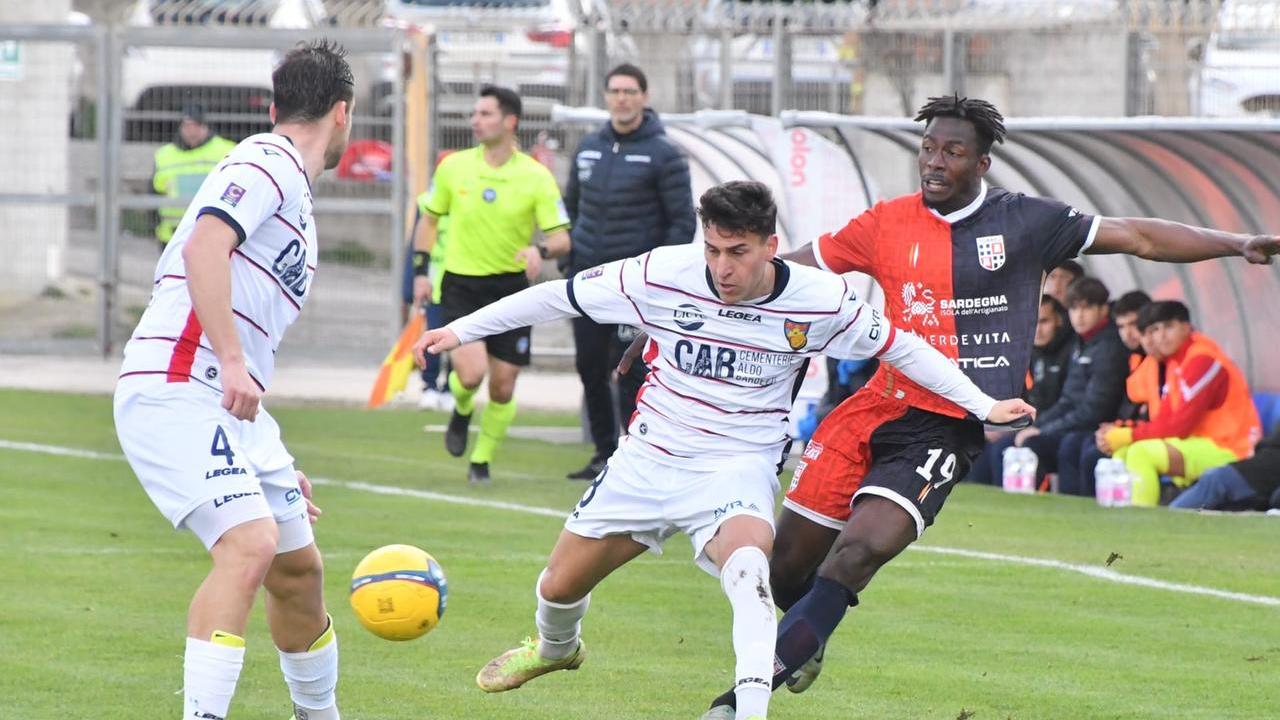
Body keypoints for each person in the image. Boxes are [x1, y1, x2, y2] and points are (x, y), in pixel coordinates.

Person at [689, 94, 1280, 717]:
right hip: (876, 405)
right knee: (785, 573)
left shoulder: (1028, 222)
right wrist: (696, 307)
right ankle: (809, 632)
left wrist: (1235, 241)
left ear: (983, 162)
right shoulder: (885, 222)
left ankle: (734, 704)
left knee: (858, 554)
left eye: (952, 151)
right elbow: (789, 268)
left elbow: (1138, 236)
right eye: (928, 148)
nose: (935, 162)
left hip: (950, 423)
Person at [413, 181, 1034, 720]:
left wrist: (983, 405)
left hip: (736, 466)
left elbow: (901, 347)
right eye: (712, 250)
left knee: (750, 577)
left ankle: (751, 708)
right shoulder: (661, 273)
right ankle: (555, 650)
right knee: (555, 587)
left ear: (770, 244)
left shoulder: (821, 299)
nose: (723, 267)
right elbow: (560, 295)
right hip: (647, 459)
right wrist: (460, 330)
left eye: (738, 252)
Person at [114, 40, 354, 720]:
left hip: (229, 405)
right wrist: (235, 359)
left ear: (280, 103)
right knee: (250, 546)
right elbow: (204, 246)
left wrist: (257, 445)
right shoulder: (266, 160)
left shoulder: (292, 193)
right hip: (181, 378)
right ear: (344, 114)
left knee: (299, 573)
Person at [414, 85, 572, 484]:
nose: (475, 121)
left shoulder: (536, 176)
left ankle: (481, 460)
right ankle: (462, 407)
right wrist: (419, 270)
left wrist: (541, 250)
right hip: (461, 286)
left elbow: (561, 238)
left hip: (512, 291)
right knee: (471, 375)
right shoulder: (453, 167)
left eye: (485, 114)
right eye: (475, 113)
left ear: (510, 121)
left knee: (503, 386)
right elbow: (429, 219)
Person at [563, 62, 696, 481]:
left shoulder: (664, 153)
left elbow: (682, 222)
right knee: (588, 365)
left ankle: (639, 454)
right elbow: (572, 208)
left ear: (644, 97)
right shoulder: (587, 148)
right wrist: (571, 260)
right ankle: (603, 453)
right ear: (606, 97)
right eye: (615, 91)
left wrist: (658, 276)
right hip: (588, 280)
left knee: (630, 370)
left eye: (630, 91)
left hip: (636, 287)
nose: (622, 98)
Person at [1097, 300, 1261, 507]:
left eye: (1169, 327)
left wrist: (1129, 434)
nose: (1161, 336)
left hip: (1230, 448)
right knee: (1124, 451)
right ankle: (1114, 517)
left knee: (1141, 452)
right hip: (1200, 443)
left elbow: (1180, 426)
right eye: (1156, 329)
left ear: (1186, 327)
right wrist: (1126, 431)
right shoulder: (1176, 361)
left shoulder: (1202, 359)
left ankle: (1139, 521)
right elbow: (1166, 419)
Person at [972, 276, 1129, 487]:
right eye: (1074, 309)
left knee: (1063, 445)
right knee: (1001, 444)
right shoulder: (1083, 343)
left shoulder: (1107, 347)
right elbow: (1067, 401)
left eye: (1087, 308)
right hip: (1073, 425)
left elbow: (1094, 409)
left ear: (1103, 310)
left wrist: (1043, 430)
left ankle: (1064, 509)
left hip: (1094, 428)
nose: (1079, 316)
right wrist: (1035, 425)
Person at [1055, 289, 1152, 496]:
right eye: (1121, 326)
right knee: (1074, 445)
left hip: (1149, 436)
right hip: (1126, 429)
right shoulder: (1135, 358)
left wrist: (1120, 428)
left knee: (1088, 452)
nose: (1128, 333)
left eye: (1133, 325)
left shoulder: (1124, 354)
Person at [153, 104, 237, 248]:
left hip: (214, 235)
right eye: (187, 126)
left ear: (206, 126)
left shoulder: (227, 150)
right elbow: (152, 195)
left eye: (196, 126)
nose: (191, 131)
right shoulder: (164, 154)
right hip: (172, 236)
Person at [1170, 425, 1280, 511]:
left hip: (1261, 473)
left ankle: (1168, 518)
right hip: (1257, 469)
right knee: (1214, 479)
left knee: (1215, 479)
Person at [1025, 294, 1074, 412]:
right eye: (1032, 323)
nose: (1037, 330)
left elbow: (1070, 404)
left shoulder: (1074, 350)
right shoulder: (1028, 351)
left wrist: (1038, 428)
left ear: (1059, 320)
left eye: (1043, 321)